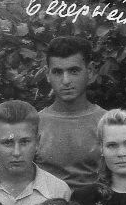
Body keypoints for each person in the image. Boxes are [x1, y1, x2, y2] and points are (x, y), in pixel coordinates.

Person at [35, 35, 107, 191]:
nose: (66, 81)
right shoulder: (34, 123)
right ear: (47, 75)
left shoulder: (107, 122)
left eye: (74, 71)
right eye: (57, 72)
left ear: (90, 71)